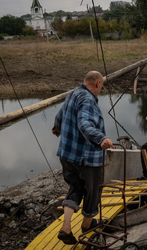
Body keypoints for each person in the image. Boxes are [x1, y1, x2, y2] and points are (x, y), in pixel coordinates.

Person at [52, 71, 114, 245]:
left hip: (67, 155)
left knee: (76, 187)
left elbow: (60, 116)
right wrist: (101, 138)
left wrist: (56, 129)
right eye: (101, 85)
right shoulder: (88, 100)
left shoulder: (73, 93)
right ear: (98, 83)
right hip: (86, 157)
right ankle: (87, 225)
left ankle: (65, 227)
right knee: (94, 190)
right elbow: (84, 124)